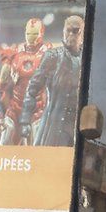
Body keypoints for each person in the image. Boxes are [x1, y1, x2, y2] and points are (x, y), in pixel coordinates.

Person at [19, 15, 84, 147]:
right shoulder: (53, 56)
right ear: (63, 31)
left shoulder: (86, 61)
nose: (71, 34)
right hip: (53, 124)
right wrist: (25, 120)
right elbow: (32, 89)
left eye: (75, 31)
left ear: (82, 33)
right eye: (68, 30)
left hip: (77, 128)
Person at [0, 18, 51, 145]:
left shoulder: (47, 52)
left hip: (37, 108)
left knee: (36, 146)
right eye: (28, 34)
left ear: (41, 33)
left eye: (34, 34)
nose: (30, 37)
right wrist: (0, 88)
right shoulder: (16, 51)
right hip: (15, 106)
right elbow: (4, 76)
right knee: (4, 142)